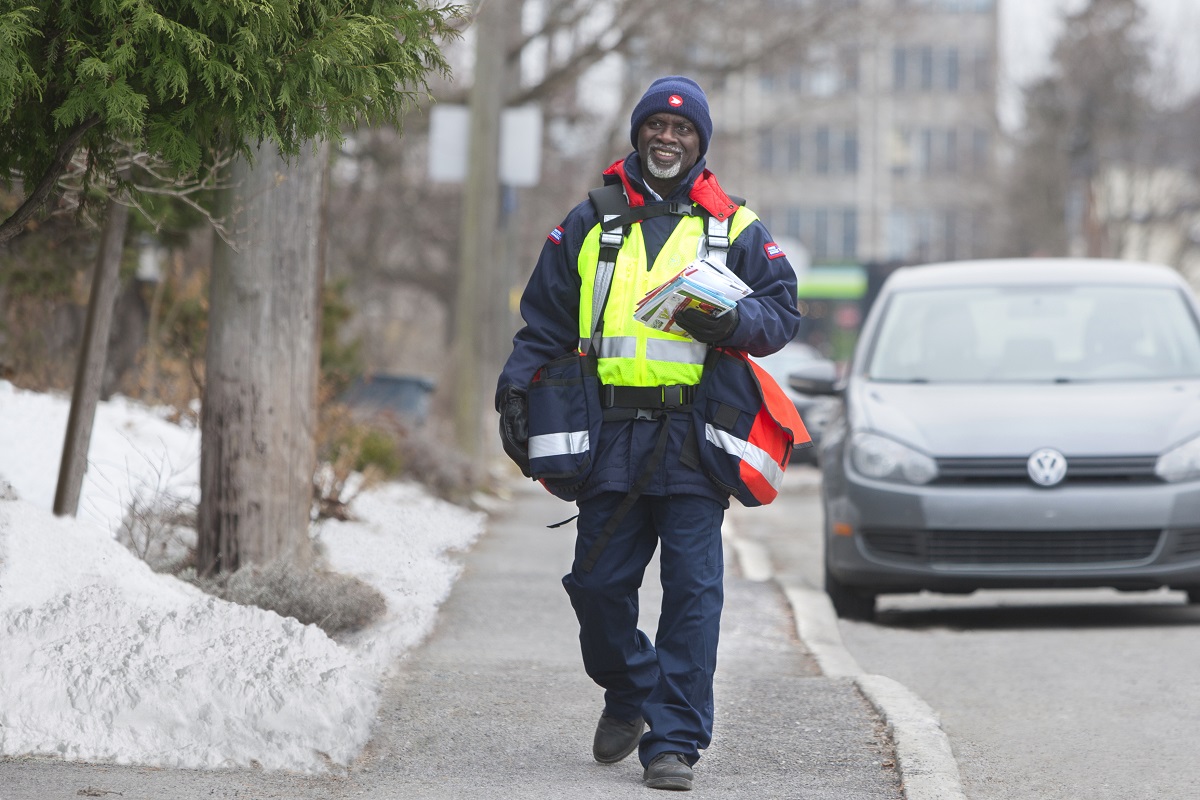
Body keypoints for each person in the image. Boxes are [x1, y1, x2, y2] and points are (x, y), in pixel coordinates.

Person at [495, 75, 800, 792]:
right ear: (638, 136)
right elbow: (541, 325)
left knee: (693, 596)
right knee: (596, 586)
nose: (668, 139)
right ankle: (630, 689)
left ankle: (676, 742)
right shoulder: (588, 222)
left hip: (697, 440)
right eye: (657, 129)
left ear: (700, 144)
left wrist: (733, 323)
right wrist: (515, 391)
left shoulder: (735, 226)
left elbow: (782, 313)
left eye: (683, 131)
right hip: (609, 437)